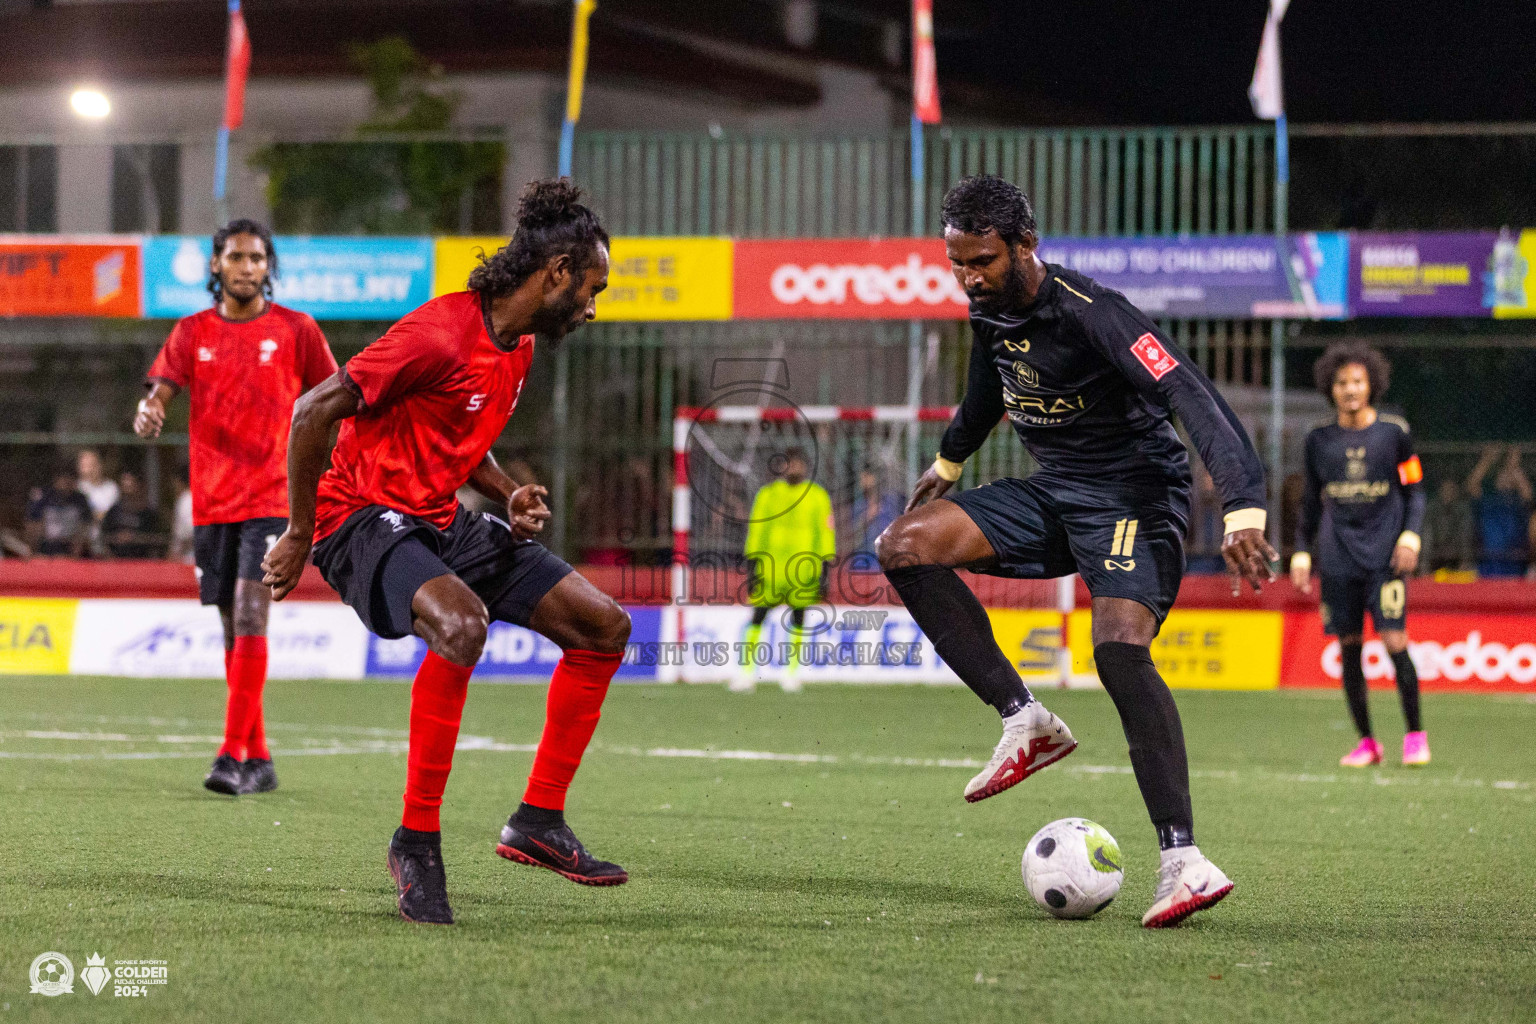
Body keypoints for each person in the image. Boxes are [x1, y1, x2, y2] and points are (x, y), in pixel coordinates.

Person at [874, 175, 1274, 929]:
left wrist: (1241, 502)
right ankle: (1023, 719)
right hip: (1060, 490)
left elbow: (1190, 392)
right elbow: (987, 391)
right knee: (904, 545)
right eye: (957, 261)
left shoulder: (1096, 315)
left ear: (1027, 244)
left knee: (1119, 650)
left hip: (1136, 496)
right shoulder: (987, 310)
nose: (969, 276)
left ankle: (1183, 862)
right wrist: (951, 461)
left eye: (983, 259)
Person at [262, 179, 629, 926]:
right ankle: (415, 841)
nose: (593, 306)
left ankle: (538, 824)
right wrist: (300, 532)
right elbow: (311, 411)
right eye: (592, 288)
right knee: (461, 627)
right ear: (556, 272)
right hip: (359, 517)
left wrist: (505, 492)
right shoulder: (435, 332)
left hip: (438, 517)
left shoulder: (519, 344)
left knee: (604, 630)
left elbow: (459, 433)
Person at [134, 219, 338, 798]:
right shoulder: (192, 330)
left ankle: (230, 754)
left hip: (276, 495)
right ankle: (261, 755)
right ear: (217, 266)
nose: (247, 267)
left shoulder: (297, 329)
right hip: (213, 498)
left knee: (251, 615)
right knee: (230, 622)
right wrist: (149, 410)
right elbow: (160, 391)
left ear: (268, 267)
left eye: (256, 258)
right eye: (235, 257)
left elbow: (331, 398)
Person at [1291, 344, 1428, 768]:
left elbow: (1416, 491)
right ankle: (1367, 742)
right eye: (1342, 383)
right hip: (1336, 560)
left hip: (1386, 559)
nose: (1350, 390)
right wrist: (1300, 550)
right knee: (1349, 649)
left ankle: (1415, 736)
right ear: (1330, 388)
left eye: (1357, 382)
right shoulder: (1318, 440)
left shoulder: (1395, 434)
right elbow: (1310, 502)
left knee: (1394, 641)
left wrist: (1410, 538)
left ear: (1371, 385)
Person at [733, 446, 836, 694]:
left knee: (798, 620)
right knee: (758, 617)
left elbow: (825, 533)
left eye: (799, 464)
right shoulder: (767, 495)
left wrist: (825, 569)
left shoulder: (817, 496)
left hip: (804, 571)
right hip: (771, 570)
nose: (795, 468)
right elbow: (757, 531)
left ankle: (791, 672)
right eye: (791, 463)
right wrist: (753, 566)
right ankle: (746, 672)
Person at [1466, 444, 1532, 577]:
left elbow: (1527, 494)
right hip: (1489, 560)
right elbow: (1472, 486)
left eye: (1509, 477)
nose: (1506, 479)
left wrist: (1513, 465)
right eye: (1503, 475)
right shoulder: (1489, 500)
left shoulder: (1516, 502)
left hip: (1513, 562)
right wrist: (1486, 461)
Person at [24, 466, 94, 557]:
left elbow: (86, 525)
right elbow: (32, 524)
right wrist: (33, 549)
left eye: (70, 479)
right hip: (47, 546)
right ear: (56, 479)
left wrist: (78, 546)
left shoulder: (80, 499)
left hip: (71, 546)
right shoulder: (44, 497)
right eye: (63, 479)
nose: (66, 483)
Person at [102, 470, 163, 558]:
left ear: (139, 486)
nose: (127, 487)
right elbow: (104, 535)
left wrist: (134, 538)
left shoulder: (149, 514)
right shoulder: (114, 511)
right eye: (124, 484)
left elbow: (155, 540)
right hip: (116, 562)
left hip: (142, 563)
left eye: (131, 484)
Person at [1422, 478, 1475, 573]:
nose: (1448, 493)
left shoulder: (1463, 510)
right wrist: (1424, 564)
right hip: (1434, 557)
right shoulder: (1432, 509)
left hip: (1456, 557)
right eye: (1445, 489)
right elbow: (1427, 536)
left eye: (1451, 489)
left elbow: (1465, 536)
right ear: (1440, 491)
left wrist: (1464, 561)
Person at [76, 449, 119, 557]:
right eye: (84, 465)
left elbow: (110, 516)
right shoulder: (77, 488)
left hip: (105, 541)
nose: (89, 470)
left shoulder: (111, 488)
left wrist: (95, 516)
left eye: (92, 465)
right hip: (81, 544)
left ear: (100, 465)